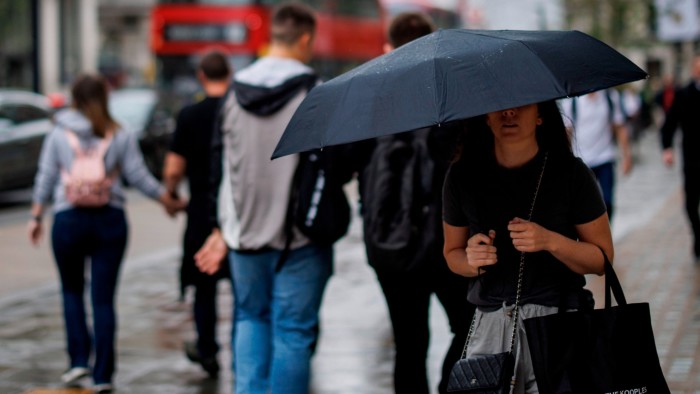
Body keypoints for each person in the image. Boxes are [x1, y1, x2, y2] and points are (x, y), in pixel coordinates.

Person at [194, 3, 330, 393]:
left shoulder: (234, 93)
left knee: (250, 318)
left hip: (244, 234)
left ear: (274, 36)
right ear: (304, 38)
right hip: (300, 235)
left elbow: (219, 169)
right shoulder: (315, 92)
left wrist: (220, 228)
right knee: (292, 331)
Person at [442, 100, 613, 393]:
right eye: (499, 105)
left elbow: (602, 259)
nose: (508, 112)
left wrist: (550, 241)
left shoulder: (571, 173)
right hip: (490, 328)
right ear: (485, 116)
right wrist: (472, 259)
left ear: (540, 116)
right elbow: (451, 254)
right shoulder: (462, 177)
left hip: (558, 325)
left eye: (521, 104)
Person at [27, 74, 184, 392]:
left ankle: (78, 362)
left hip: (68, 220)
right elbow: (138, 176)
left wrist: (36, 216)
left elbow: (45, 176)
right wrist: (167, 200)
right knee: (103, 299)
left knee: (71, 291)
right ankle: (103, 374)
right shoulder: (119, 133)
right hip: (109, 221)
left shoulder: (58, 132)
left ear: (74, 98)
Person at [357, 12, 473, 394]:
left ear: (388, 49)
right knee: (469, 326)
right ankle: (447, 386)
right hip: (448, 240)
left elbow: (346, 165)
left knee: (408, 343)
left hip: (389, 244)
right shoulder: (451, 96)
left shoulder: (365, 99)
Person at [162, 49, 232, 378]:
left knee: (203, 285)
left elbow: (174, 168)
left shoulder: (190, 114)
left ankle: (207, 349)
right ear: (228, 75)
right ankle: (242, 350)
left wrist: (172, 194)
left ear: (202, 76)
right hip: (235, 206)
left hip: (202, 207)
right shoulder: (236, 109)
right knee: (241, 286)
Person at [559, 90, 633, 220]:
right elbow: (567, 131)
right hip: (582, 160)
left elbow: (619, 127)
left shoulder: (610, 97)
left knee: (608, 201)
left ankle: (607, 232)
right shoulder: (572, 101)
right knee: (584, 204)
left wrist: (626, 156)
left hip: (605, 157)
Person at [660, 54, 700, 260]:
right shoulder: (684, 94)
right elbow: (669, 123)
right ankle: (697, 233)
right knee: (691, 202)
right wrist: (667, 148)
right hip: (692, 158)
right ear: (694, 70)